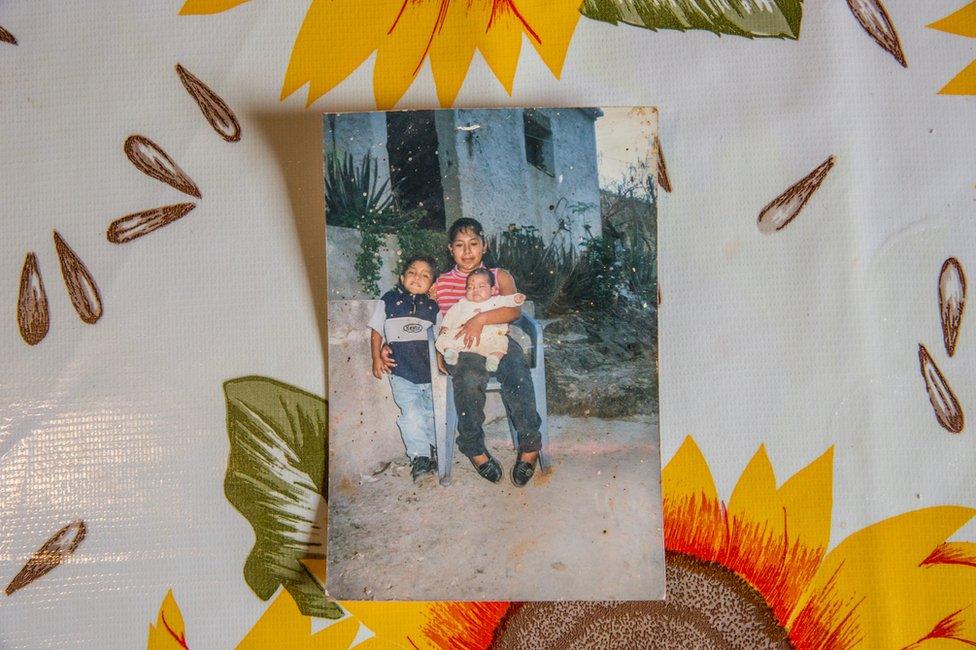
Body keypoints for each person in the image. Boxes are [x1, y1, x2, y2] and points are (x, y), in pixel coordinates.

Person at [432, 217, 542, 487]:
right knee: (468, 379)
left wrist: (480, 319)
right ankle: (475, 450)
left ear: (484, 245)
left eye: (473, 244)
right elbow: (433, 318)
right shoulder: (442, 283)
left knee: (516, 372)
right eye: (459, 245)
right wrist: (438, 348)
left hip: (500, 340)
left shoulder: (499, 276)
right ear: (450, 249)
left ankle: (530, 447)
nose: (467, 251)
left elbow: (514, 311)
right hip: (464, 346)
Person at [368, 256, 439, 483]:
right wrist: (376, 356)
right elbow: (377, 330)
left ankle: (431, 449)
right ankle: (419, 457)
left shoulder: (434, 306)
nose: (417, 277)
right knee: (411, 413)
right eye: (412, 272)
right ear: (401, 277)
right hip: (401, 372)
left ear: (432, 284)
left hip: (430, 373)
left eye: (425, 274)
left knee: (431, 413)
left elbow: (442, 336)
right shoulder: (389, 300)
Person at [435, 268, 526, 372]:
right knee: (447, 338)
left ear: (492, 290)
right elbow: (451, 315)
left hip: (490, 337)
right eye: (470, 287)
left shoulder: (496, 301)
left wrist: (516, 299)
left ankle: (493, 359)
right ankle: (452, 352)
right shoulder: (462, 304)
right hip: (464, 337)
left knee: (501, 343)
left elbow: (508, 301)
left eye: (481, 286)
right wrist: (445, 326)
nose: (475, 290)